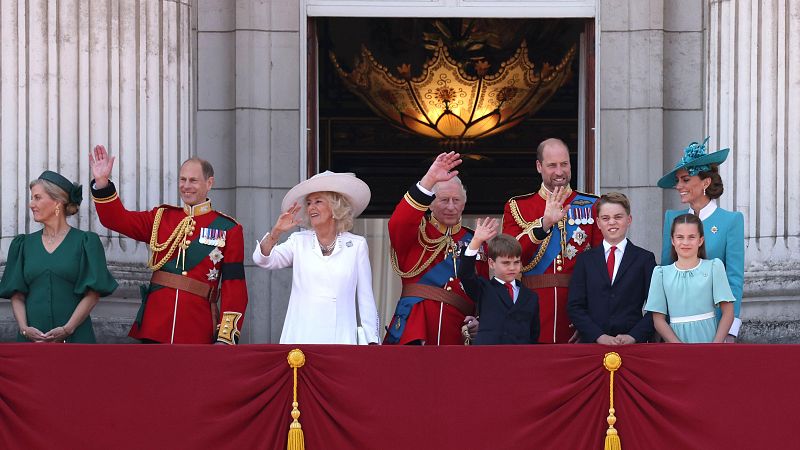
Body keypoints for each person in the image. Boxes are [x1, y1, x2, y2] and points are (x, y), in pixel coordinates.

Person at [89, 145, 248, 344]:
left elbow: (234, 287)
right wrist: (102, 183)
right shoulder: (161, 218)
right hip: (156, 324)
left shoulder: (229, 229)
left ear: (209, 183)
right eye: (183, 179)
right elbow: (117, 220)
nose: (186, 185)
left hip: (197, 326)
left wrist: (226, 337)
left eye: (193, 180)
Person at [252, 171, 379, 344]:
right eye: (309, 203)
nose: (311, 207)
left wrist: (372, 341)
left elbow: (366, 298)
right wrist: (276, 232)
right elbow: (263, 260)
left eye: (318, 201)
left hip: (340, 340)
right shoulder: (298, 241)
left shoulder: (356, 246)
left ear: (335, 207)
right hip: (301, 338)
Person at [502, 138, 603, 343]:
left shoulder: (592, 205)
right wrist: (544, 224)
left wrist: (590, 319)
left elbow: (601, 266)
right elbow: (508, 256)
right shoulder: (519, 206)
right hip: (532, 309)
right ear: (539, 166)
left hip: (576, 308)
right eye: (552, 165)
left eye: (564, 164)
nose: (559, 171)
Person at [384, 152, 489, 345]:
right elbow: (398, 223)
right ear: (430, 204)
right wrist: (429, 179)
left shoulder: (477, 242)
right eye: (444, 200)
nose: (451, 207)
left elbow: (484, 292)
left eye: (456, 201)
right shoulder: (415, 233)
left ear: (464, 204)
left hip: (456, 334)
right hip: (415, 330)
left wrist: (479, 320)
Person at [0, 171, 118, 343]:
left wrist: (68, 329)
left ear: (58, 201)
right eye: (32, 198)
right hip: (32, 341)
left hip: (75, 338)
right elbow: (17, 294)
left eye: (37, 198)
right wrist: (24, 329)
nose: (31, 204)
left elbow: (93, 293)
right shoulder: (23, 245)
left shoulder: (86, 242)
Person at [657, 138, 744, 342]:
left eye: (685, 180)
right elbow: (666, 271)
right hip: (676, 327)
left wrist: (730, 330)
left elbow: (734, 280)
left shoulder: (730, 221)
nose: (679, 186)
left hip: (715, 327)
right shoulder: (671, 218)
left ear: (705, 182)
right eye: (678, 181)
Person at [567, 192, 656, 344]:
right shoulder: (585, 260)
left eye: (618, 217)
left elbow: (656, 307)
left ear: (629, 220)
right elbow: (575, 306)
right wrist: (598, 336)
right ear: (598, 222)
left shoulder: (645, 259)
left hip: (632, 345)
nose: (612, 222)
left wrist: (634, 336)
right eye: (605, 218)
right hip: (592, 344)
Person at [644, 214, 735, 343]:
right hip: (676, 345)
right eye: (680, 237)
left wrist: (716, 346)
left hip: (710, 340)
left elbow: (728, 312)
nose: (685, 242)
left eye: (691, 237)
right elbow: (658, 319)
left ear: (700, 240)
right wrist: (679, 347)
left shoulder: (714, 267)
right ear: (672, 240)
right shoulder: (661, 273)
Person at [459, 218, 539, 345]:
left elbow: (533, 334)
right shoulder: (483, 289)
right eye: (506, 263)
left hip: (520, 358)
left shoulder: (530, 296)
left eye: (516, 262)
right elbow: (465, 274)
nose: (512, 268)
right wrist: (476, 241)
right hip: (489, 357)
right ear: (491, 263)